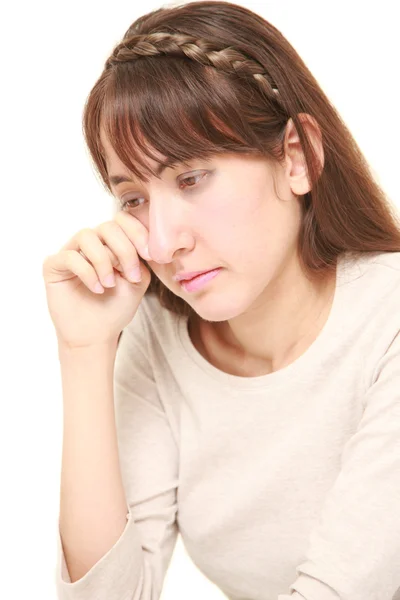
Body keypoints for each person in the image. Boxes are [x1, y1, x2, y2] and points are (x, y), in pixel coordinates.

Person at [42, 1, 400, 599]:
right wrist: (84, 351)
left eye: (190, 179)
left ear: (297, 157)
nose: (162, 242)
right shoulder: (158, 337)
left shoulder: (389, 318)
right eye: (133, 198)